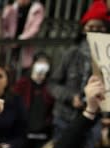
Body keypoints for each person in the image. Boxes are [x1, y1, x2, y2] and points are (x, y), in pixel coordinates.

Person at [48, 0, 107, 139]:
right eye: (91, 27)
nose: (95, 31)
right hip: (65, 118)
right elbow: (52, 84)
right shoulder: (71, 53)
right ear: (83, 29)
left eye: (100, 27)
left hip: (93, 121)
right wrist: (71, 97)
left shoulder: (107, 58)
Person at [14, 52, 55, 148]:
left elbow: (52, 105)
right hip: (24, 129)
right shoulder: (23, 83)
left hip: (43, 130)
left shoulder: (50, 86)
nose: (42, 66)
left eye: (45, 63)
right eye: (39, 63)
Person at [0, 0, 45, 70]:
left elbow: (35, 28)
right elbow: (3, 25)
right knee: (6, 68)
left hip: (26, 45)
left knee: (23, 69)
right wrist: (8, 37)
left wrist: (19, 40)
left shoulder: (37, 9)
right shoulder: (11, 8)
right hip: (9, 45)